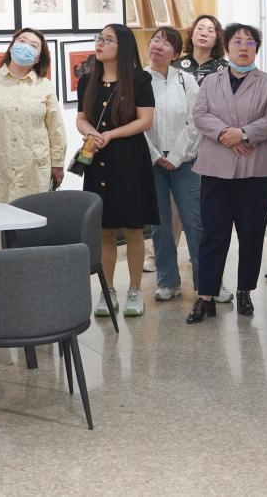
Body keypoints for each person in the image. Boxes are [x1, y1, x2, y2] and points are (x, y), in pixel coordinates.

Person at [186, 23, 267, 324]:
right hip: (215, 168)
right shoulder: (211, 81)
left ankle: (245, 291)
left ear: (256, 49)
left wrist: (242, 134)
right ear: (226, 48)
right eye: (237, 42)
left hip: (254, 170)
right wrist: (224, 134)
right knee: (213, 234)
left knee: (251, 234)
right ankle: (206, 297)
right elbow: (199, 114)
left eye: (250, 42)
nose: (243, 47)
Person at [77, 24, 158, 318]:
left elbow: (145, 120)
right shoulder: (87, 80)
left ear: (122, 46)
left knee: (134, 228)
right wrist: (92, 133)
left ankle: (135, 289)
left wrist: (111, 134)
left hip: (129, 159)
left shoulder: (139, 79)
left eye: (107, 39)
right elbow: (81, 118)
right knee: (105, 229)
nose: (100, 43)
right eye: (98, 38)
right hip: (98, 160)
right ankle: (107, 290)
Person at [0, 27, 67, 252]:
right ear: (11, 47)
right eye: (21, 40)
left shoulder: (44, 86)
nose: (25, 46)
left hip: (32, 167)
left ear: (38, 57)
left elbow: (55, 128)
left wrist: (57, 163)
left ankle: (26, 271)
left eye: (33, 45)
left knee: (29, 222)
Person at [143, 26, 204, 301]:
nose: (158, 45)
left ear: (176, 54)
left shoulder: (186, 80)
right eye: (155, 40)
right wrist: (156, 155)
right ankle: (168, 281)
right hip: (151, 162)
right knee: (161, 226)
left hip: (186, 162)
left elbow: (196, 119)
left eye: (166, 43)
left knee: (195, 222)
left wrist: (177, 156)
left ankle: (207, 282)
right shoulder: (139, 80)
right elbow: (137, 123)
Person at [174, 14, 228, 83]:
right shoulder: (176, 66)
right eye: (200, 28)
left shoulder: (226, 69)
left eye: (210, 31)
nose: (203, 34)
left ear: (217, 40)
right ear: (191, 35)